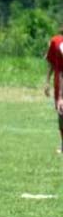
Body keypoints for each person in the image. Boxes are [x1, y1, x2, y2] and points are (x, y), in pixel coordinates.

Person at [44, 24, 63, 154]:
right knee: (61, 116)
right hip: (59, 84)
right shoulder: (56, 42)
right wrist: (47, 81)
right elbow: (52, 62)